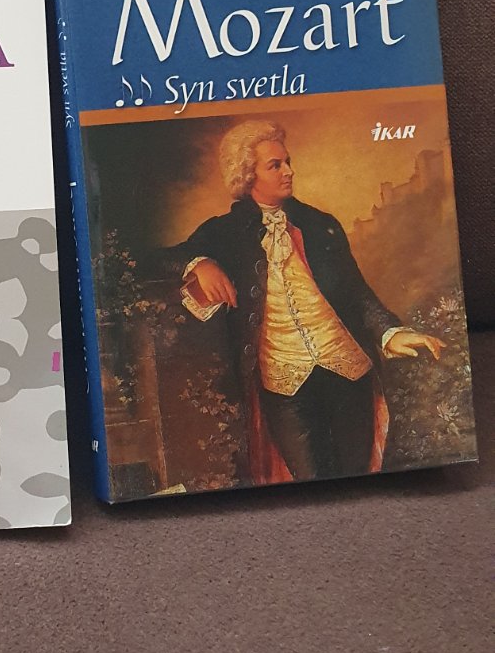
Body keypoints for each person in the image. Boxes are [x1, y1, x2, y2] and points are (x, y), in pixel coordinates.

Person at [180, 120, 443, 483]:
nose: (288, 171)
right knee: (310, 481)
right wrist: (199, 263)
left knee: (357, 476)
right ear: (247, 174)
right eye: (275, 165)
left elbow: (356, 291)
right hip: (283, 385)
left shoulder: (320, 225)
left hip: (348, 372)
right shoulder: (221, 232)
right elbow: (161, 257)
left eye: (287, 162)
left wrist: (390, 332)